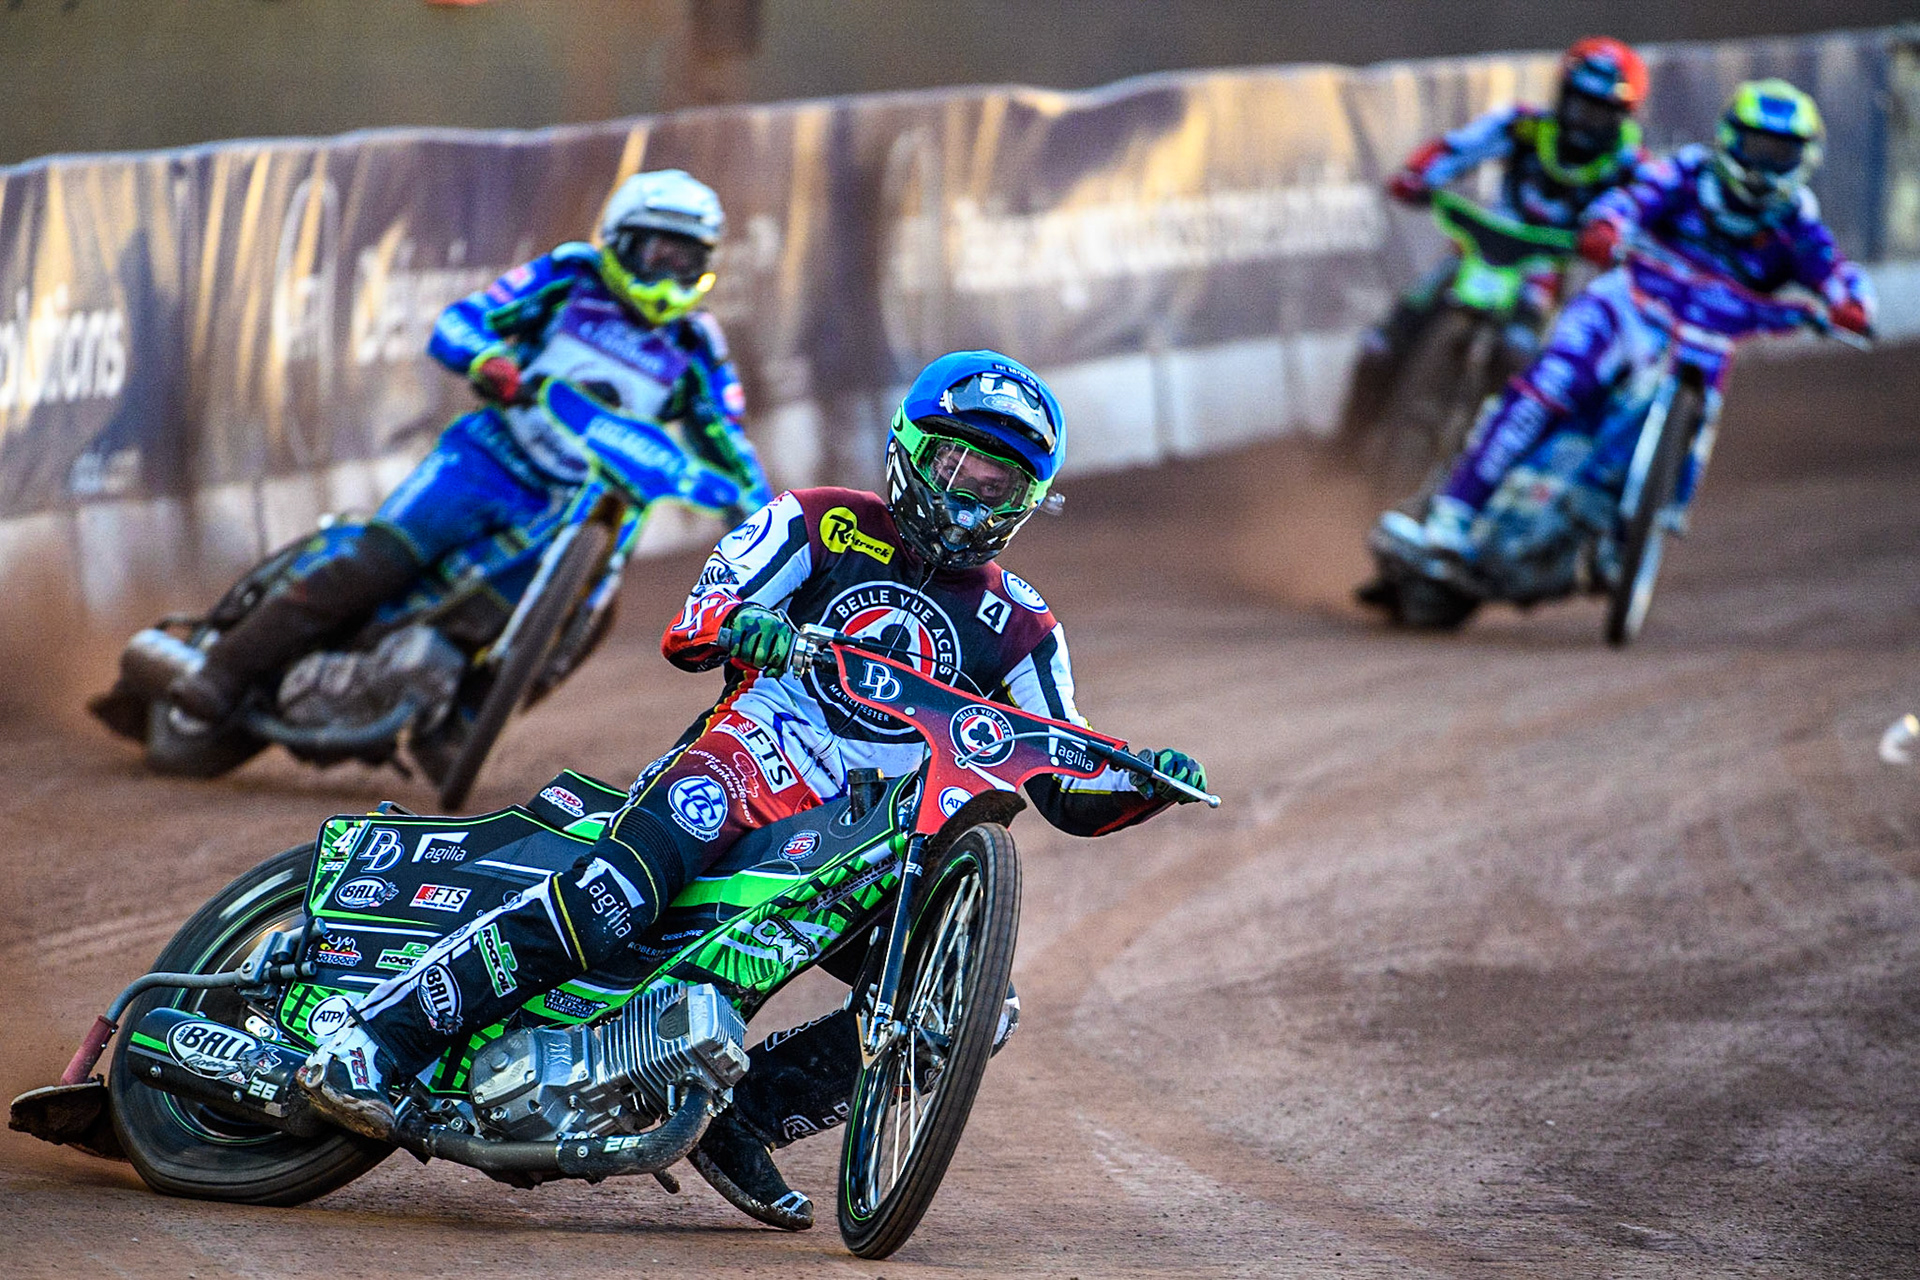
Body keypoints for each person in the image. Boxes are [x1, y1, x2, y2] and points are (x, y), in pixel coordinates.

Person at [295, 349, 1211, 1230]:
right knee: (619, 893)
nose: (969, 492)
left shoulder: (1024, 626)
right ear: (908, 448)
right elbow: (696, 620)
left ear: (1027, 502)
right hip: (743, 764)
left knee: (970, 1003)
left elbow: (1065, 771)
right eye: (954, 463)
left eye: (997, 482)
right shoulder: (818, 521)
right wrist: (746, 626)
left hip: (862, 839)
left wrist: (1150, 781)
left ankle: (745, 1118)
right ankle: (379, 1038)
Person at [166, 168, 770, 779]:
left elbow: (729, 440)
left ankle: (460, 724)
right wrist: (488, 359)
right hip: (487, 460)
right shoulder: (569, 278)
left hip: (584, 505)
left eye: (686, 260)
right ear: (619, 241)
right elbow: (461, 320)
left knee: (591, 615)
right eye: (658, 253)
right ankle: (224, 670)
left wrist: (761, 517)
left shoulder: (697, 344)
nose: (669, 274)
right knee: (380, 559)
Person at [1377, 79, 1875, 560]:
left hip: (1703, 340)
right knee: (1546, 388)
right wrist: (1608, 224)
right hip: (1626, 307)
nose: (1764, 165)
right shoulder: (1688, 173)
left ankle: (1651, 516)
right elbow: (1633, 198)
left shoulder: (1797, 223)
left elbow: (1835, 271)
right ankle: (1453, 513)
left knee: (1700, 410)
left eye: (1780, 152)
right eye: (1757, 146)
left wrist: (1853, 304)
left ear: (1804, 158)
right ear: (1729, 139)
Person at [1341, 36, 1648, 433]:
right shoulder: (1524, 126)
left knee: (1520, 353)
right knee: (1380, 345)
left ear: (1621, 115)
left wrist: (1614, 238)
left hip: (1545, 264)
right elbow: (1459, 146)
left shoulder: (1630, 163)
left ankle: (1493, 445)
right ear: (1561, 95)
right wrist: (1417, 175)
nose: (1582, 120)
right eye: (1577, 103)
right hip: (1480, 248)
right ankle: (1345, 448)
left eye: (1598, 111)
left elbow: (1643, 208)